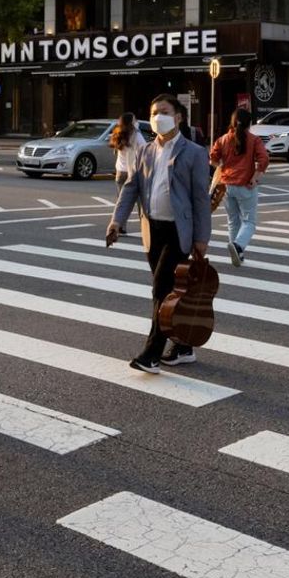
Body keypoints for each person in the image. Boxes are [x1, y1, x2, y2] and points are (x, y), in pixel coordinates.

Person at [104, 89, 213, 374]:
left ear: (178, 117)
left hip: (180, 231)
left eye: (164, 113)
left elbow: (201, 198)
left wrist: (202, 238)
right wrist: (116, 221)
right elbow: (131, 188)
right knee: (171, 293)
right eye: (154, 114)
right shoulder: (146, 150)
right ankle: (184, 345)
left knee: (161, 289)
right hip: (152, 229)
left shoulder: (194, 153)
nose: (158, 118)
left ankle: (151, 354)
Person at [209, 105, 269, 267]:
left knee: (233, 220)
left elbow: (212, 157)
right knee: (249, 221)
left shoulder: (223, 139)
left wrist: (220, 168)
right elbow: (264, 159)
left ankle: (236, 253)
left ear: (232, 122)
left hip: (227, 185)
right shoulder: (254, 140)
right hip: (246, 185)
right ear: (249, 124)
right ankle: (238, 246)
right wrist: (255, 177)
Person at [108, 109, 145, 190]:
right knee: (136, 200)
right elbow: (145, 149)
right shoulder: (136, 135)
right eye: (135, 120)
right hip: (132, 172)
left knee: (122, 200)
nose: (136, 121)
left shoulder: (118, 134)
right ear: (131, 122)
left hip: (120, 171)